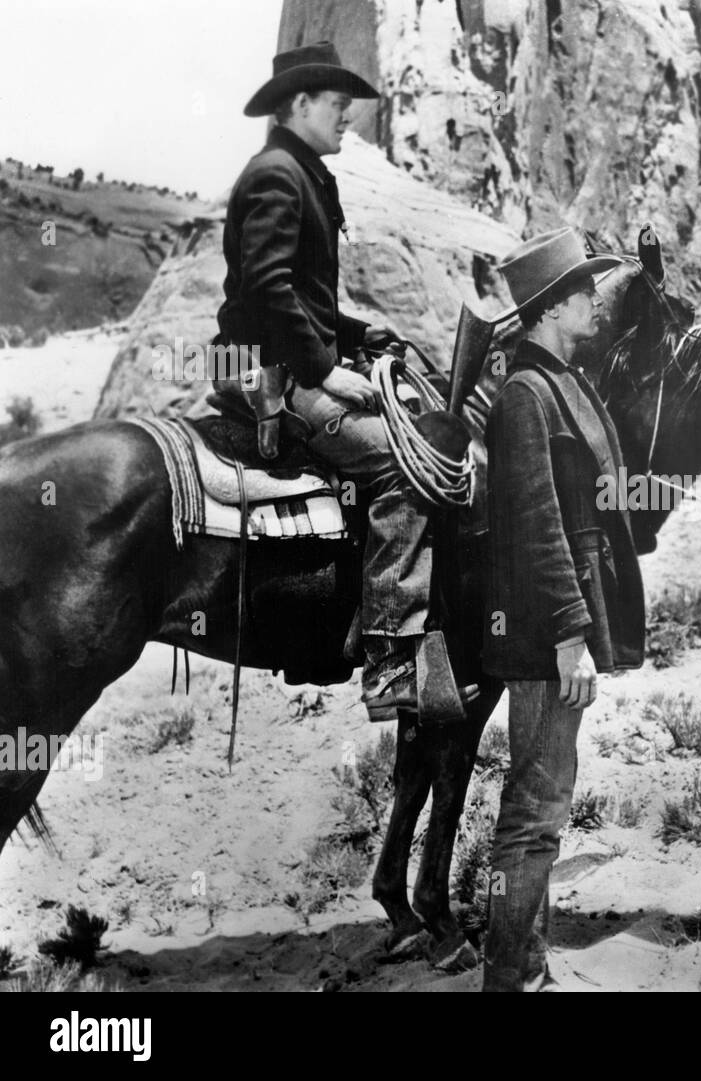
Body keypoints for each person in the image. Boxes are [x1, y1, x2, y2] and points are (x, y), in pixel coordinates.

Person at [215, 42, 435, 721]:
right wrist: (329, 372)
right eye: (338, 105)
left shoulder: (299, 171)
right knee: (405, 468)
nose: (348, 118)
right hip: (268, 374)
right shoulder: (279, 175)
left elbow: (300, 298)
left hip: (288, 358)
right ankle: (390, 659)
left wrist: (357, 332)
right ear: (300, 105)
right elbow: (269, 290)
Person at [480, 229, 646, 991]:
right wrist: (572, 636)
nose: (594, 301)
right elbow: (538, 527)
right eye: (583, 291)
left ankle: (529, 964)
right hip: (548, 637)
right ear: (550, 309)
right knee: (534, 806)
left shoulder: (559, 380)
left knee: (546, 796)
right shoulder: (526, 393)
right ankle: (507, 974)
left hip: (559, 632)